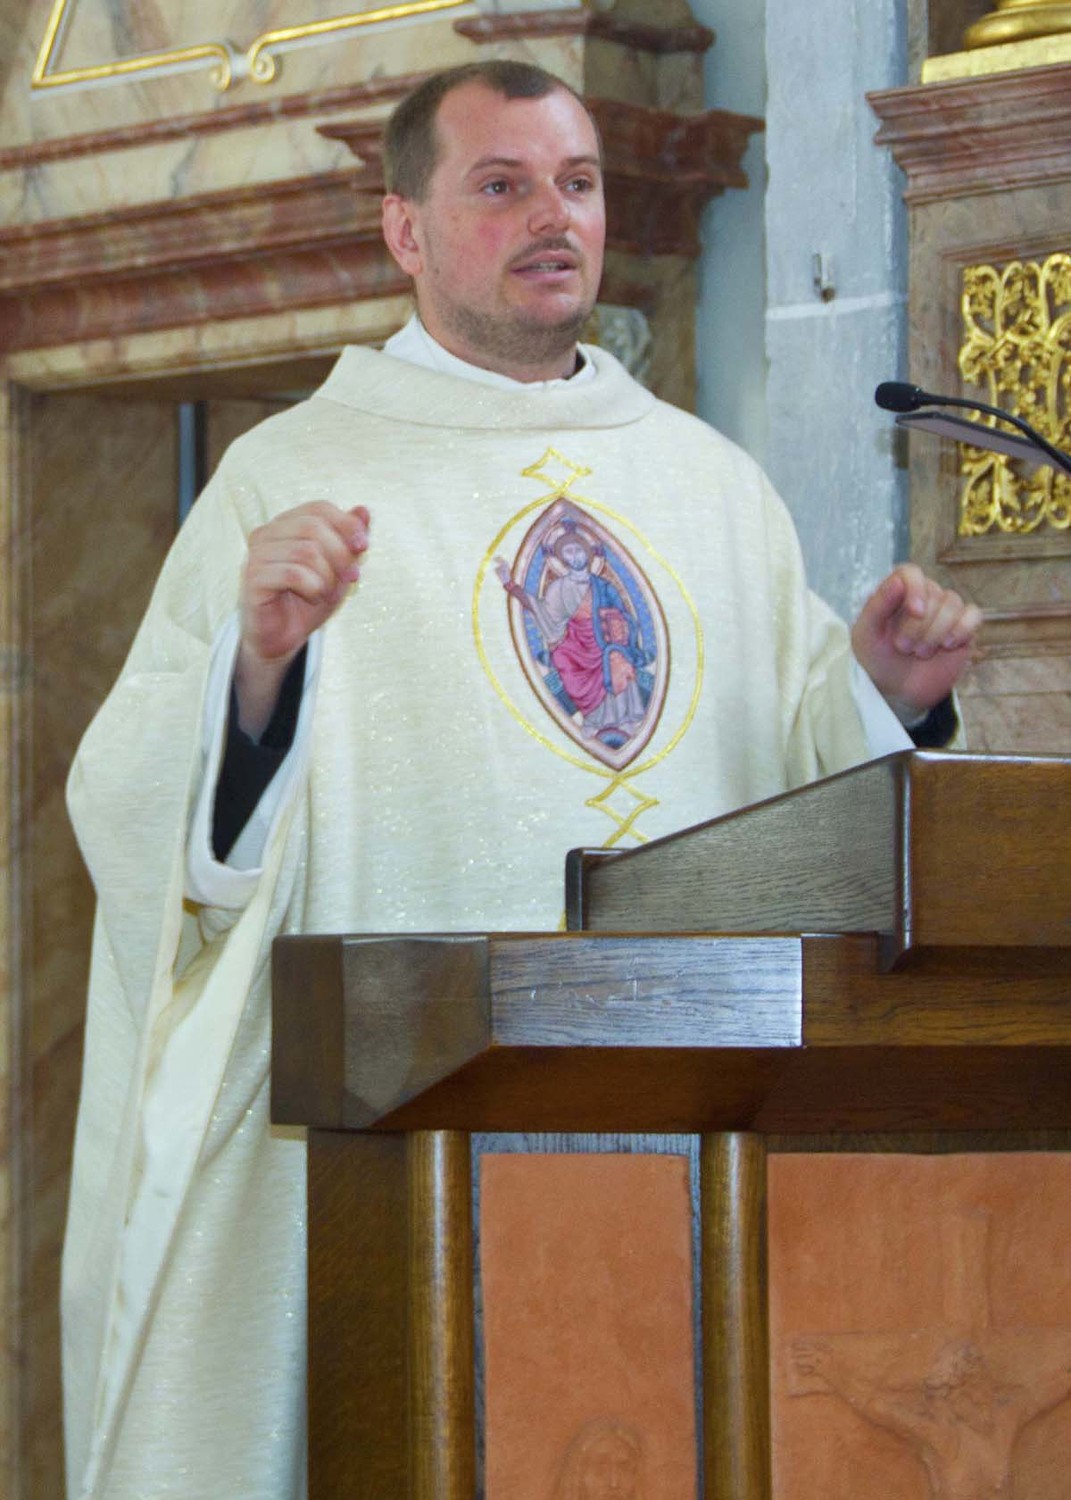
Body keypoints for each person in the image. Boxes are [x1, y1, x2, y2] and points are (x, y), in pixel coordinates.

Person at [61, 60, 981, 1500]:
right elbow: (138, 815)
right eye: (501, 185)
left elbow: (806, 790)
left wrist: (884, 693)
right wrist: (256, 669)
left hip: (692, 1140)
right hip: (400, 1149)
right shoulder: (289, 476)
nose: (554, 217)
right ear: (405, 230)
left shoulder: (708, 484)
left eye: (579, 183)